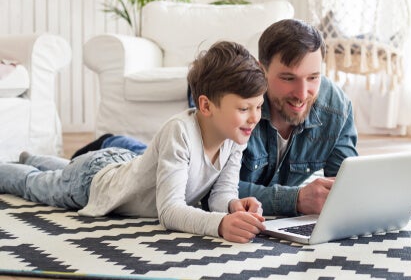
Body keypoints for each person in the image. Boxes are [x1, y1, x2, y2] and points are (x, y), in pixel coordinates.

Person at [72, 18, 359, 216]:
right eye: (287, 78)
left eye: (313, 78)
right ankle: (112, 142)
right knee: (157, 166)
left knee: (158, 160)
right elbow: (209, 189)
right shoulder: (226, 95)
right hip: (182, 170)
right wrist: (294, 199)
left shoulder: (337, 108)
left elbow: (346, 183)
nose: (302, 92)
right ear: (262, 70)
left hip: (183, 165)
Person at [0, 41, 267, 243]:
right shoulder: (181, 132)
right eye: (244, 108)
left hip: (122, 165)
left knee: (64, 168)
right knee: (34, 184)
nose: (254, 118)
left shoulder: (235, 136)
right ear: (206, 105)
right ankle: (11, 164)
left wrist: (233, 206)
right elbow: (170, 211)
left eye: (258, 106)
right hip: (93, 184)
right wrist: (220, 225)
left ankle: (30, 156)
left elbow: (220, 195)